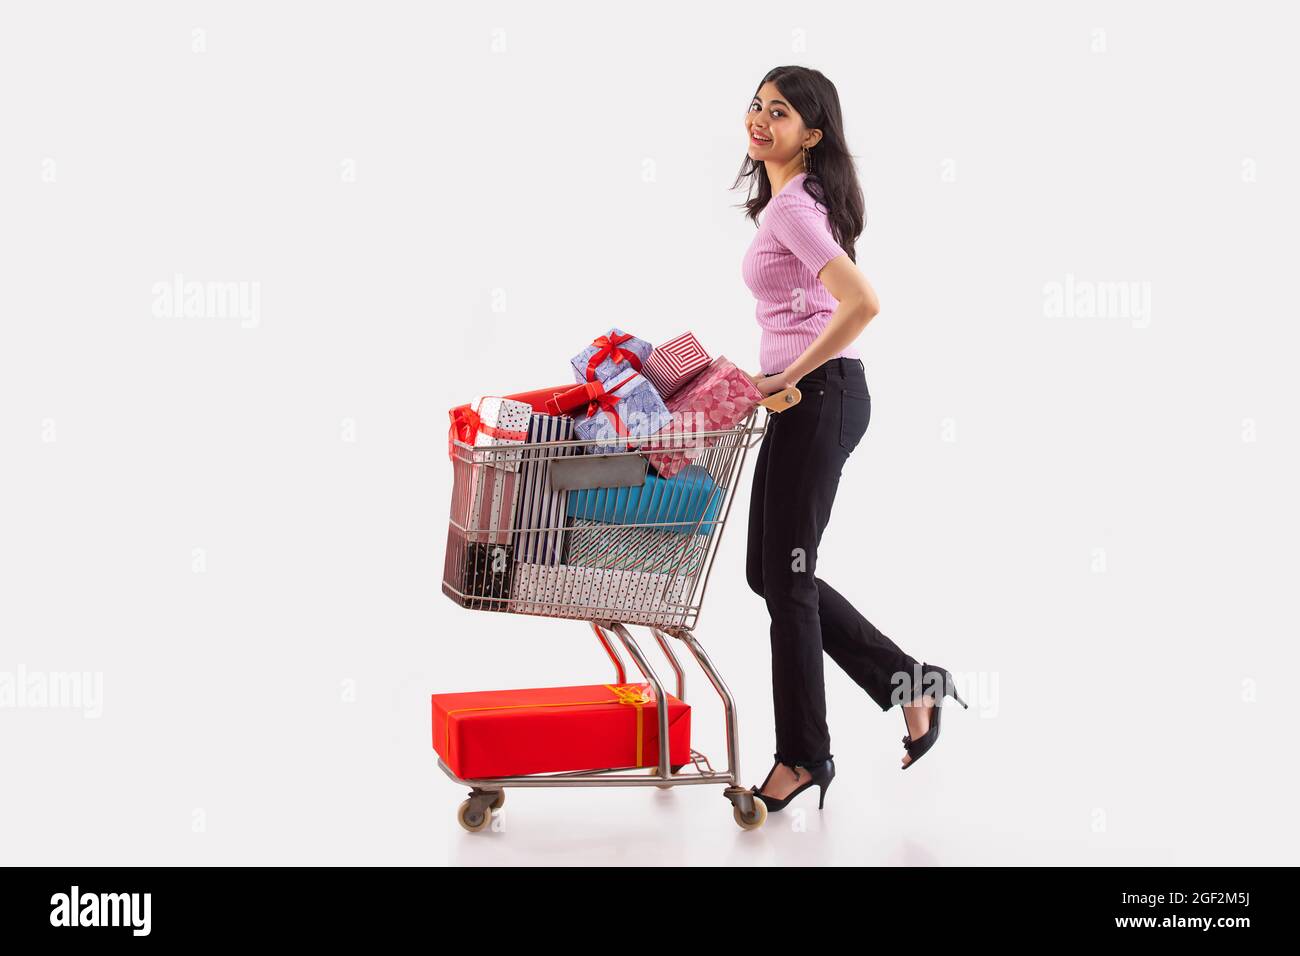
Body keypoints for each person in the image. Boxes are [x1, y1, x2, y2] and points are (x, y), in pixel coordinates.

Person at [738, 66, 968, 813]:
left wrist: (789, 373)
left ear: (814, 133)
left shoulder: (793, 209)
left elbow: (863, 302)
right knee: (772, 575)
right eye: (758, 104)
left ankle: (803, 755)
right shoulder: (791, 203)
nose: (761, 118)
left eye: (782, 111)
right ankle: (909, 680)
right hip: (807, 403)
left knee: (787, 582)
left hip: (821, 398)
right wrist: (772, 377)